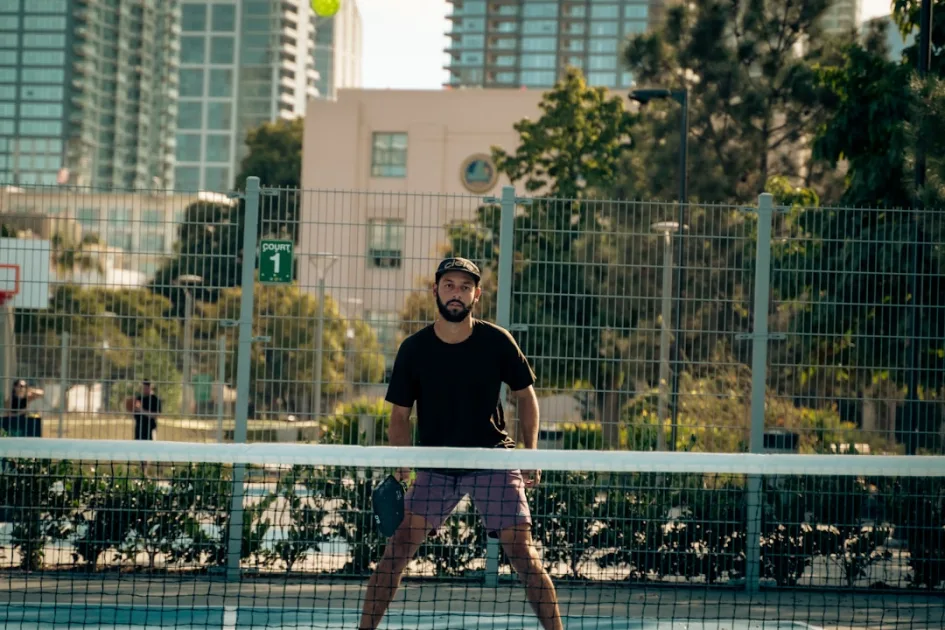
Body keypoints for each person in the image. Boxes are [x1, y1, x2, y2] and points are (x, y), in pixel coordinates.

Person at [358, 257, 563, 630]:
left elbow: (527, 397)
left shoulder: (498, 341)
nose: (457, 293)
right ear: (435, 290)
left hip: (493, 462)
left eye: (465, 287)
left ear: (477, 295)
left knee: (523, 555)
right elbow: (400, 416)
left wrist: (531, 454)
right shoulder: (414, 349)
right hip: (437, 466)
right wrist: (401, 462)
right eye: (449, 285)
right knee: (396, 552)